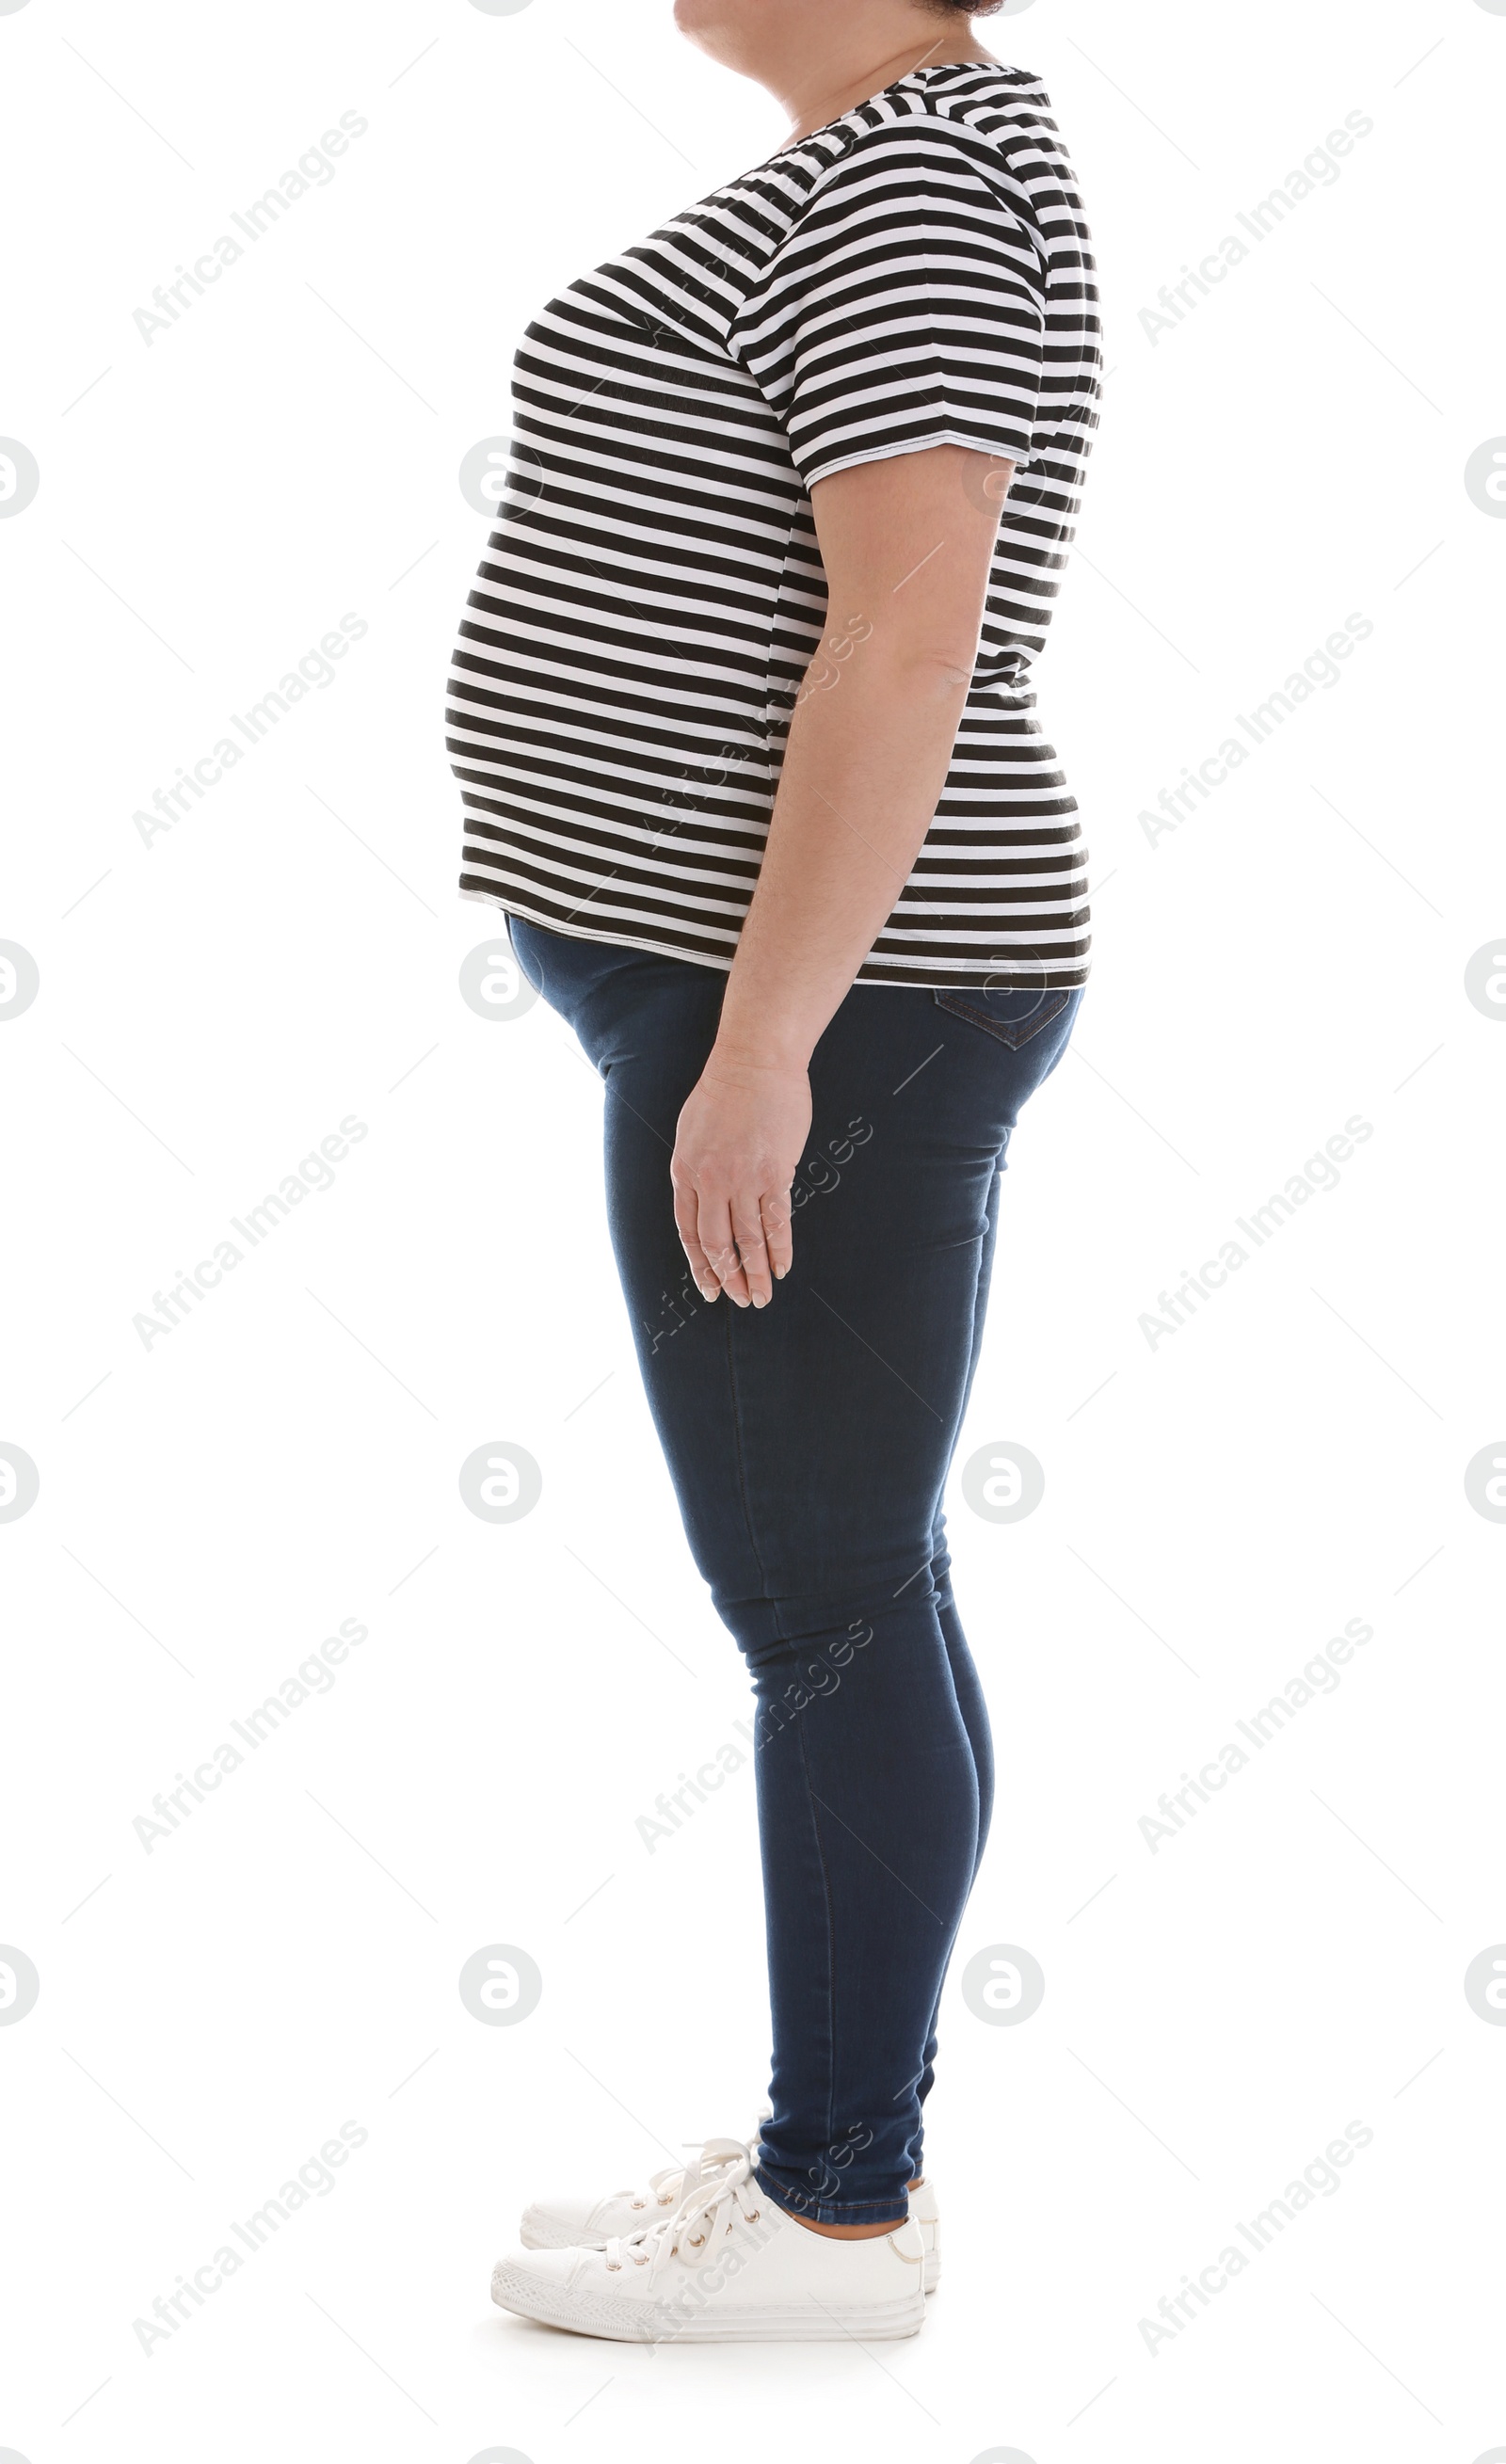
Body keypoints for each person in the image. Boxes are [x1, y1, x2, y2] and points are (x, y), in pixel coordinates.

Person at [449, 0, 1100, 2342]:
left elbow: (909, 624)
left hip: (837, 1018)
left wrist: (766, 1041)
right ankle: (842, 2149)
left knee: (818, 1606)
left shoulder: (912, 171)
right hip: (792, 1004)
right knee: (852, 1588)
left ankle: (835, 2208)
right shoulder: (895, 157)